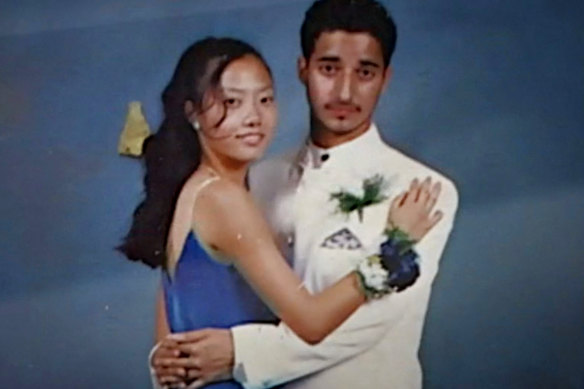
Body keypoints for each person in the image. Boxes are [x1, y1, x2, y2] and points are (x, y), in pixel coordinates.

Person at [149, 1, 459, 388]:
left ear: (385, 78)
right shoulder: (256, 177)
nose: (345, 91)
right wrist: (168, 357)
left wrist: (238, 351)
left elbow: (360, 327)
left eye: (365, 72)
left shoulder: (421, 192)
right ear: (303, 70)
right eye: (329, 69)